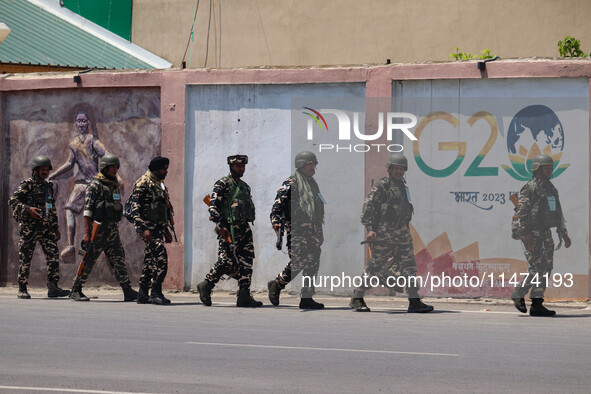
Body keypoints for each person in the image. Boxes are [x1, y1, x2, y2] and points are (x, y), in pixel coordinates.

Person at [350, 152, 433, 313]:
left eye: (402, 168)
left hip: (403, 236)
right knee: (374, 267)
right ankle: (357, 297)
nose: (399, 171)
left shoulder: (403, 187)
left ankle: (414, 301)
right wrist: (370, 229)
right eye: (396, 168)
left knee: (409, 267)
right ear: (389, 169)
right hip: (384, 237)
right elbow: (367, 209)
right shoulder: (381, 187)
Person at [48, 110, 121, 262]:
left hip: (94, 183)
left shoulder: (93, 140)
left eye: (84, 121)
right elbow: (69, 163)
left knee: (97, 213)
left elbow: (106, 154)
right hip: (81, 183)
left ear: (88, 123)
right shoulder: (73, 144)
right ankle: (70, 245)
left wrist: (117, 175)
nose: (81, 124)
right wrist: (54, 175)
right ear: (75, 123)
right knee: (69, 208)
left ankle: (100, 245)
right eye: (79, 121)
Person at [69, 154, 137, 302]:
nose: (115, 170)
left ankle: (127, 290)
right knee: (89, 260)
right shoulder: (95, 185)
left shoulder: (113, 185)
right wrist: (87, 233)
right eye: (112, 167)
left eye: (116, 167)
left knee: (118, 258)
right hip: (97, 230)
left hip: (111, 229)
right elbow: (87, 211)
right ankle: (76, 289)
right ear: (105, 167)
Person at [196, 154, 262, 307]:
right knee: (225, 261)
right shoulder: (222, 184)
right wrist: (221, 227)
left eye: (243, 166)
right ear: (231, 167)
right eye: (238, 166)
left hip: (244, 229)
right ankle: (206, 285)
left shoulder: (245, 186)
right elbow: (213, 208)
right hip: (229, 228)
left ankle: (244, 295)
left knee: (247, 261)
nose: (241, 169)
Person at [510, 154, 571, 317]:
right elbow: (521, 213)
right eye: (546, 168)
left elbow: (558, 213)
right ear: (537, 169)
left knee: (546, 268)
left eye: (551, 168)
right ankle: (518, 292)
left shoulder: (551, 189)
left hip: (545, 233)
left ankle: (537, 304)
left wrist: (563, 233)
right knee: (536, 268)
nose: (550, 170)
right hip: (532, 233)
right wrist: (525, 235)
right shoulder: (530, 188)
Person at [267, 151, 325, 309]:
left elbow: (318, 209)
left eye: (314, 164)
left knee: (313, 263)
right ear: (301, 164)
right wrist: (276, 224)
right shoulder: (291, 182)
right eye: (309, 164)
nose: (313, 167)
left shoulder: (312, 183)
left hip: (312, 230)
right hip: (297, 230)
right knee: (299, 261)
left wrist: (319, 231)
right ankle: (277, 284)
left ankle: (306, 297)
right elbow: (276, 208)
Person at [8, 156, 70, 299]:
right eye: (42, 170)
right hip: (29, 228)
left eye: (46, 170)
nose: (44, 172)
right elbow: (13, 200)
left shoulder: (48, 187)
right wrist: (28, 209)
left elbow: (51, 208)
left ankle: (53, 287)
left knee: (53, 256)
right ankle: (22, 288)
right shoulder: (27, 185)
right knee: (26, 258)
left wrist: (55, 227)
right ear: (35, 170)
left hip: (46, 229)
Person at [128, 157, 175, 305]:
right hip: (147, 228)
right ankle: (156, 292)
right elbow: (135, 209)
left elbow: (162, 206)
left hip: (158, 228)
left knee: (149, 261)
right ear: (155, 169)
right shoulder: (143, 183)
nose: (166, 171)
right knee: (161, 258)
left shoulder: (159, 183)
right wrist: (143, 229)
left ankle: (142, 293)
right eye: (163, 169)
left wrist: (166, 228)